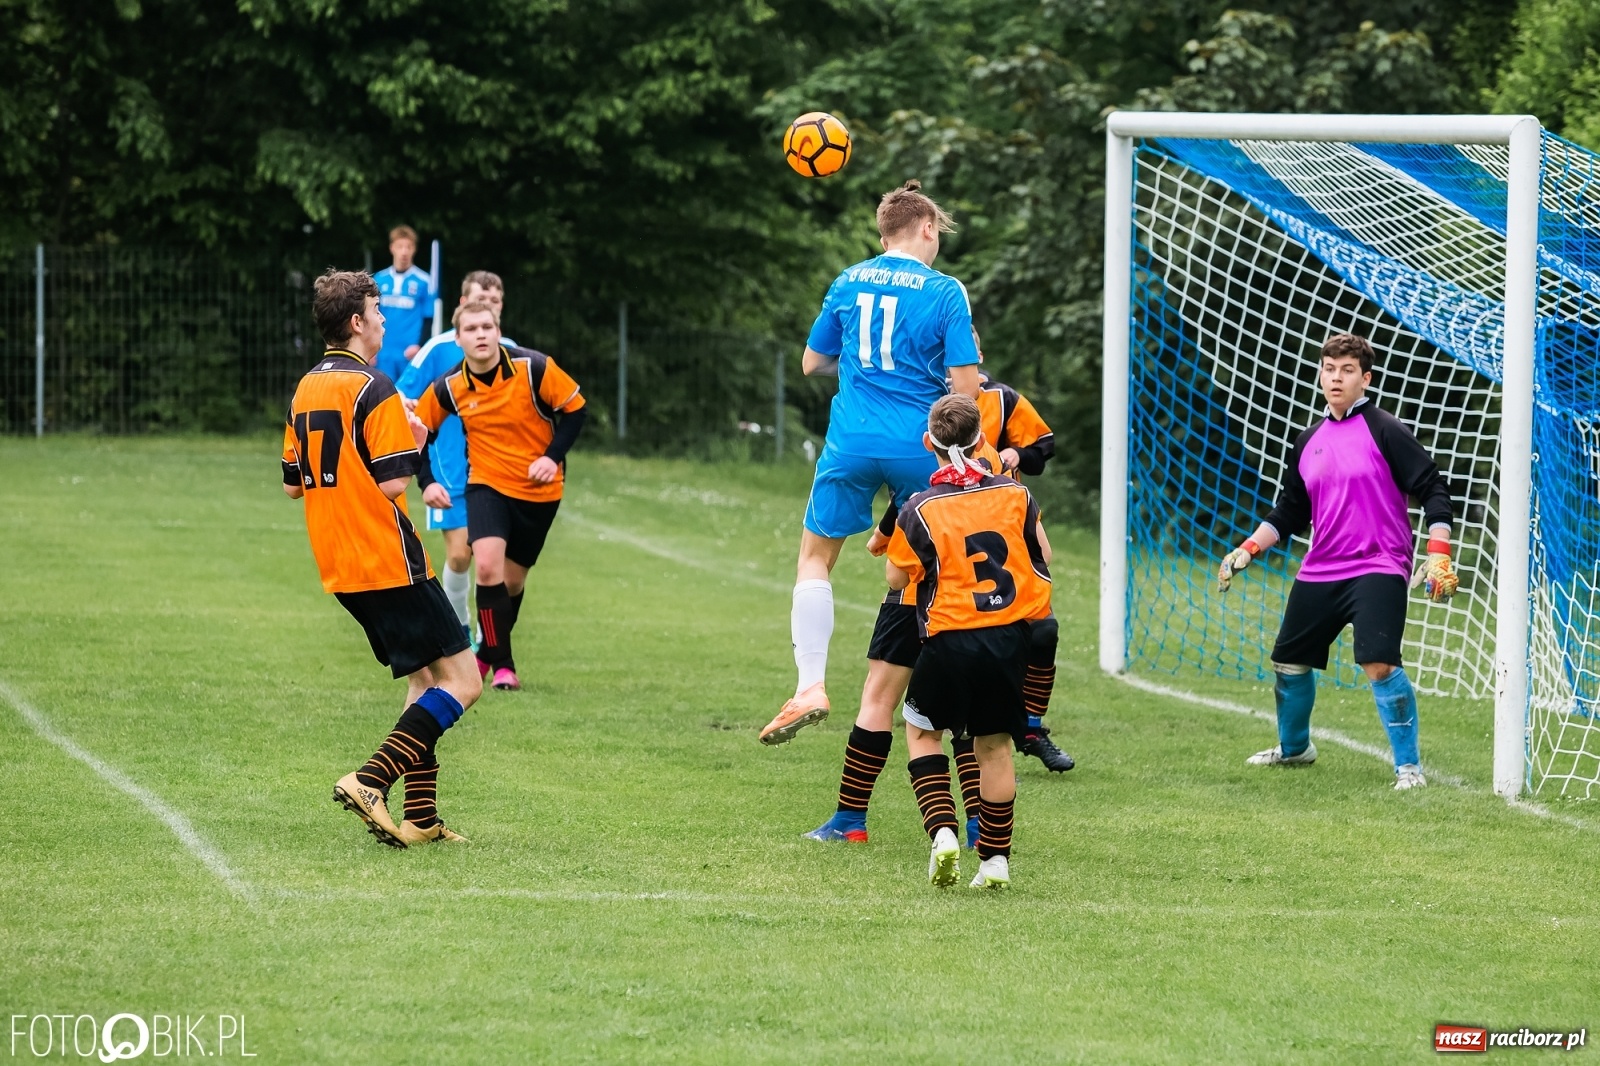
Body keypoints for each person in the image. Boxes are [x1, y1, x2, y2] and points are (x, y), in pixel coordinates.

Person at [760, 180, 982, 746]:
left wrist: (866, 371)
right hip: (920, 445)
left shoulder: (847, 279)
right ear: (927, 228)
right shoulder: (945, 290)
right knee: (939, 568)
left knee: (815, 559)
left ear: (883, 233)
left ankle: (810, 685)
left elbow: (812, 362)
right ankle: (953, 692)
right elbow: (963, 393)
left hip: (851, 439)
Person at [281, 269, 482, 848]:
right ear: (356, 322)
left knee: (425, 679)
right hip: (387, 555)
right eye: (378, 309)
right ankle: (371, 779)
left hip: (339, 562)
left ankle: (421, 818)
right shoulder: (374, 386)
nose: (385, 319)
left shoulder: (305, 388)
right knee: (464, 681)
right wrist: (415, 437)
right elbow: (395, 482)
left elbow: (295, 484)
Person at [1218, 333, 1457, 790]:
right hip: (1321, 567)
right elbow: (1290, 510)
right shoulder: (1309, 439)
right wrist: (1247, 548)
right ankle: (1294, 751)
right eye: (1329, 369)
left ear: (1365, 378)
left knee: (1378, 663)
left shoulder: (1385, 428)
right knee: (1288, 661)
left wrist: (1439, 551)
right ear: (1320, 375)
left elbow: (1433, 488)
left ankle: (1409, 769)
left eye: (1347, 370)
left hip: (1379, 564)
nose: (1336, 377)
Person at [884, 393, 1053, 889]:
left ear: (927, 444)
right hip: (1009, 639)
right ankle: (996, 862)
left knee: (921, 732)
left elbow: (897, 579)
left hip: (950, 638)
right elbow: (1042, 554)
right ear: (981, 440)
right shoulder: (1016, 495)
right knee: (994, 747)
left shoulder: (920, 508)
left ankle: (942, 834)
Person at [412, 301, 587, 692]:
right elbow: (419, 433)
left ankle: (487, 654)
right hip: (486, 485)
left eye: (487, 327)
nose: (480, 334)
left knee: (510, 584)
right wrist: (428, 483)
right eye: (471, 329)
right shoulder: (449, 386)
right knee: (487, 568)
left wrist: (551, 457)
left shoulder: (534, 367)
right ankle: (503, 665)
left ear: (497, 331)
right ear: (458, 339)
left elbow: (575, 410)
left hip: (540, 491)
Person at [396, 271, 517, 636]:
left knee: (493, 563)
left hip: (498, 472)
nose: (487, 309)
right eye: (480, 300)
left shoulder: (511, 352)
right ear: (462, 305)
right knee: (461, 555)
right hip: (451, 471)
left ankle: (488, 637)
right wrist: (417, 409)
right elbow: (403, 395)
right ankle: (460, 626)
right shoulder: (439, 348)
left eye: (494, 303)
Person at [374, 225, 435, 383]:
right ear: (391, 248)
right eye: (400, 246)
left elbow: (429, 318)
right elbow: (370, 315)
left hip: (409, 353)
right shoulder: (379, 280)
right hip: (383, 353)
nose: (404, 252)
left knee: (409, 400)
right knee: (382, 398)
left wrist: (420, 346)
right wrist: (371, 349)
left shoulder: (424, 281)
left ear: (414, 249)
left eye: (408, 247)